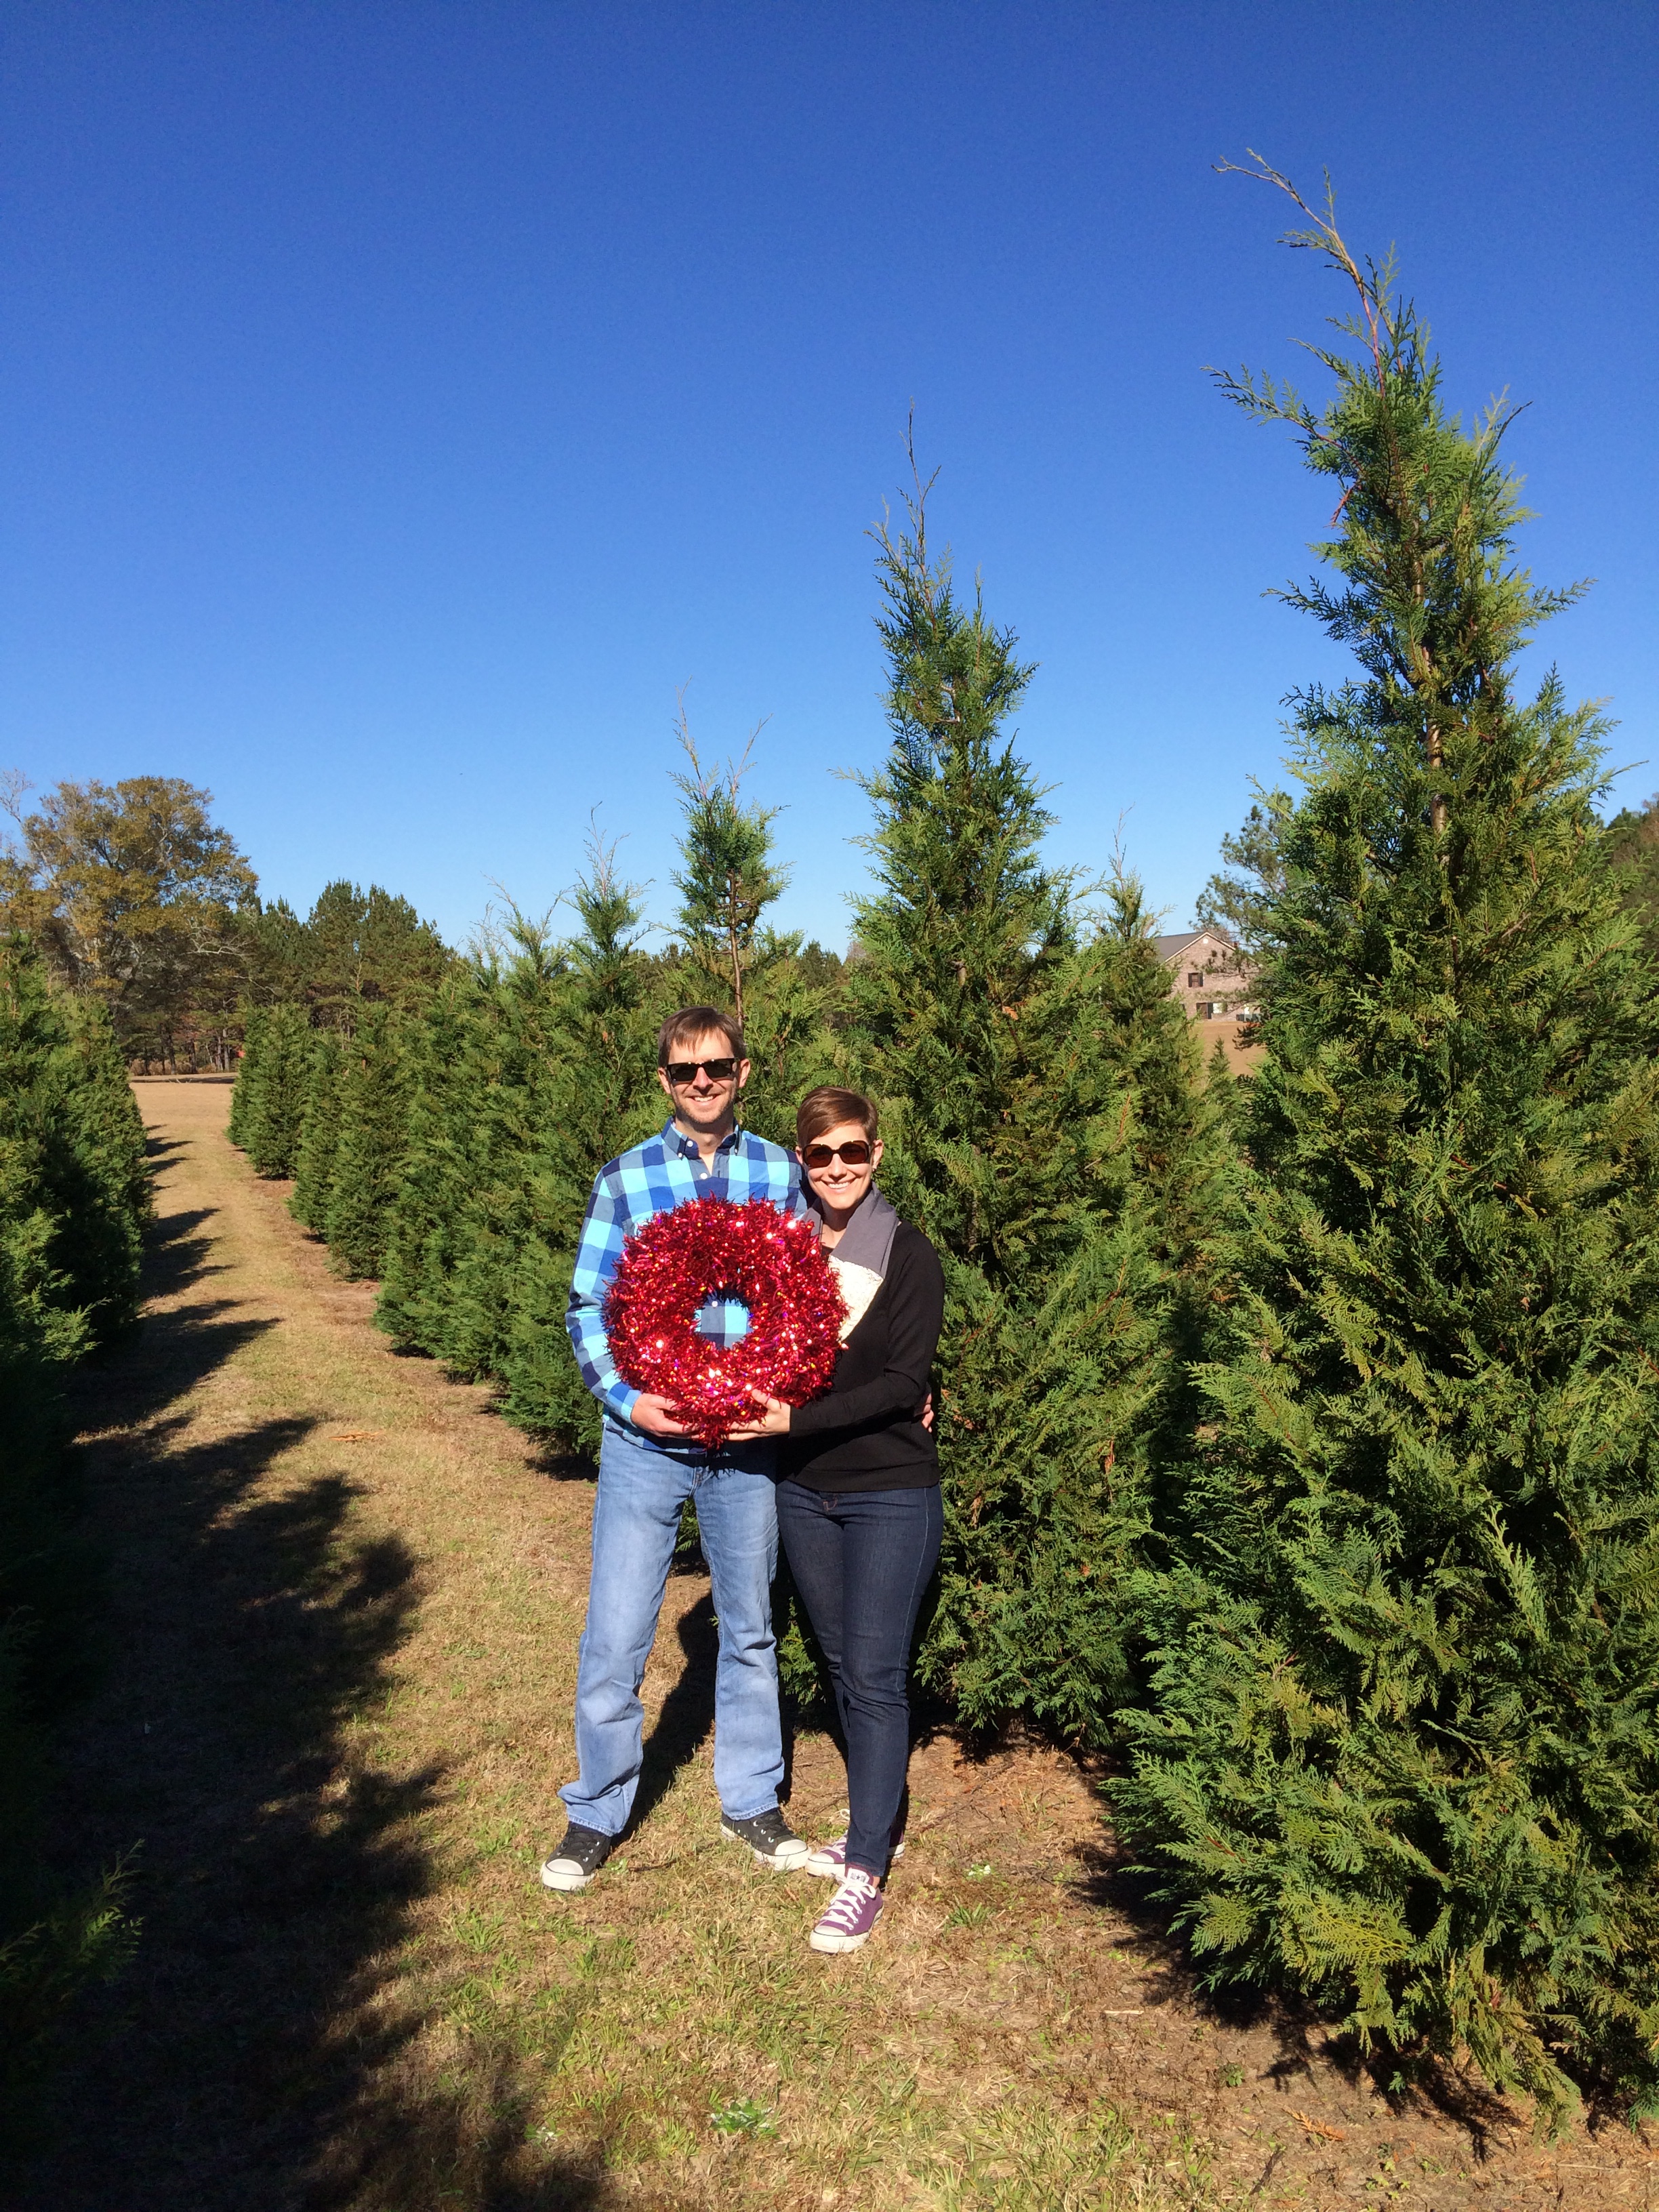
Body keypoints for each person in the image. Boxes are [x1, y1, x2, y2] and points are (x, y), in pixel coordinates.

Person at [539, 1006, 813, 1891]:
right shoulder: (625, 1179)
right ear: (664, 1080)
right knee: (617, 1632)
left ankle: (752, 1799)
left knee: (751, 1629)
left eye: (718, 1067)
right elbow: (588, 1307)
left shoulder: (779, 1172)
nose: (703, 1082)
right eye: (687, 1070)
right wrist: (628, 1400)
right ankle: (597, 1810)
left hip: (744, 1445)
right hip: (644, 1442)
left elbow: (811, 1295)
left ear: (743, 1073)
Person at [729, 1086, 945, 1953]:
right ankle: (870, 1830)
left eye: (853, 1151)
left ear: (876, 1154)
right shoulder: (783, 1251)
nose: (838, 1168)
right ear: (802, 1161)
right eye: (821, 1155)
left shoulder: (908, 1254)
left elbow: (903, 1384)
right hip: (803, 1493)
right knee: (844, 1667)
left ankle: (865, 1871)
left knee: (878, 1677)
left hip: (890, 1491)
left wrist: (794, 1421)